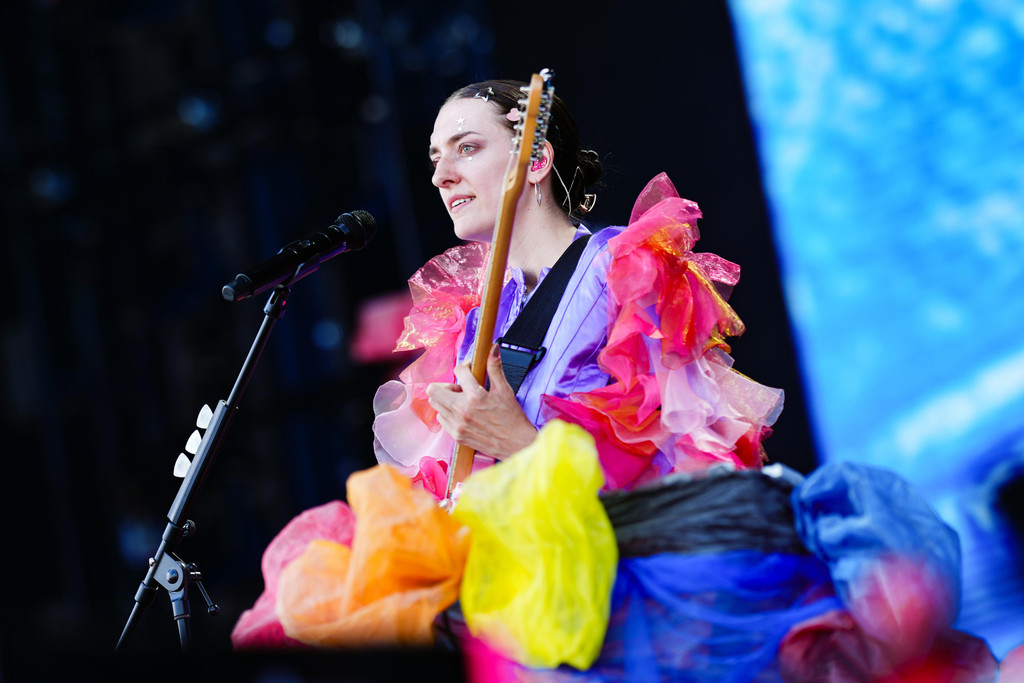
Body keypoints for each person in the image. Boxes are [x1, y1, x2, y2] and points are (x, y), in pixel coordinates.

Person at [371, 79, 783, 497]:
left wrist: (519, 443)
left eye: (467, 148)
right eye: (435, 158)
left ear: (535, 162)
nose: (441, 176)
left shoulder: (625, 272)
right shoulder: (473, 319)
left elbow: (685, 485)